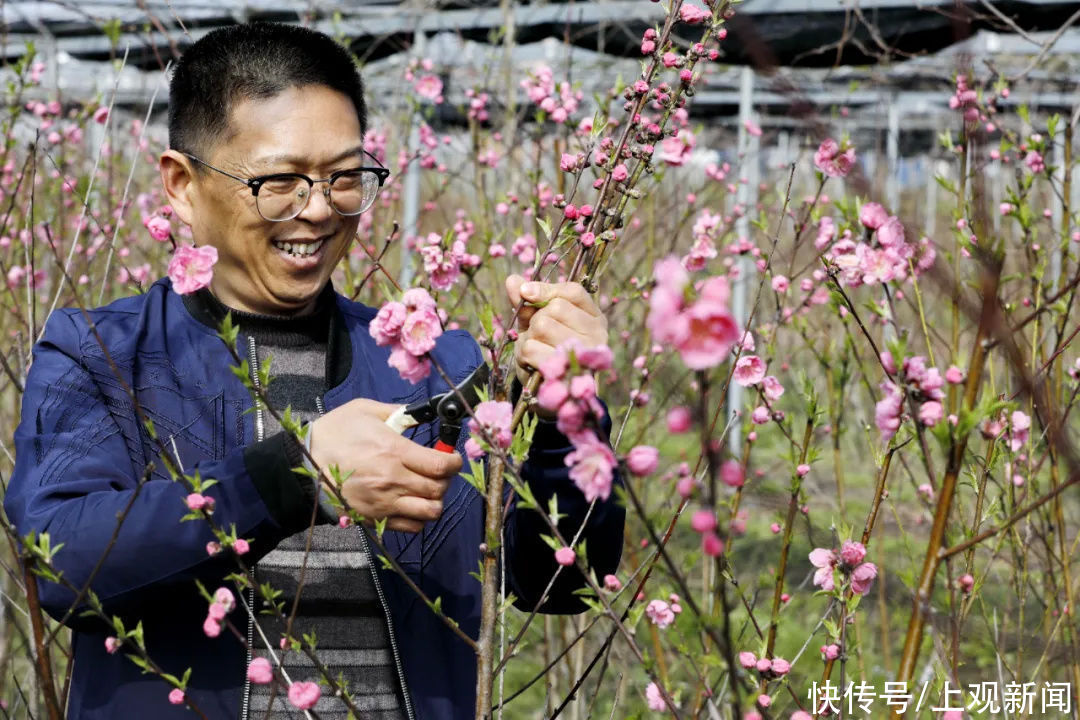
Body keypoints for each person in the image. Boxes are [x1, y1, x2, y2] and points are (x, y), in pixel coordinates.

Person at [5, 22, 624, 720]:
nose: (321, 208)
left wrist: (562, 419)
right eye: (280, 181)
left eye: (344, 176)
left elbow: (561, 584)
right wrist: (292, 476)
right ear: (181, 184)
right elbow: (62, 566)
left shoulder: (434, 366)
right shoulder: (103, 354)